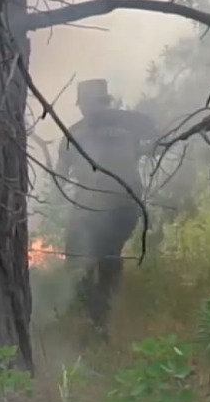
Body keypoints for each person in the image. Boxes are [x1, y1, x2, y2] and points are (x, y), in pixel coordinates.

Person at [56, 78, 157, 331]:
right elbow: (60, 173)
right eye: (88, 104)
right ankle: (89, 309)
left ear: (105, 103)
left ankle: (102, 314)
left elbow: (158, 135)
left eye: (97, 103)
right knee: (78, 256)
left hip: (123, 205)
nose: (91, 109)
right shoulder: (74, 133)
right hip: (88, 205)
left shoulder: (129, 124)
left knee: (106, 253)